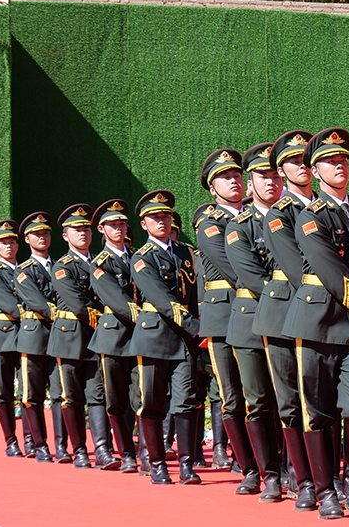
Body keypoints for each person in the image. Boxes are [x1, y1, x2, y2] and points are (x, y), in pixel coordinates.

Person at [282, 128, 349, 519]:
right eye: (330, 160)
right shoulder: (309, 217)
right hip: (316, 321)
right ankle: (326, 491)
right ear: (315, 170)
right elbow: (330, 271)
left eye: (343, 158)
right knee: (317, 410)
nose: (339, 164)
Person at [256, 130, 320, 511]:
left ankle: (326, 475)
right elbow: (298, 271)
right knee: (290, 400)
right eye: (294, 161)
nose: (302, 166)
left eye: (305, 160)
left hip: (325, 311)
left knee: (322, 398)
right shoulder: (279, 214)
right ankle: (301, 478)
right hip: (283, 310)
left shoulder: (329, 206)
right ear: (281, 170)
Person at [197, 149, 262, 491]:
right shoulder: (209, 223)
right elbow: (234, 267)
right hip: (224, 315)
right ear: (212, 188)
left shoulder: (258, 216)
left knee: (264, 393)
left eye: (238, 175)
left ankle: (271, 462)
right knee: (232, 395)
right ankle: (247, 465)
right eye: (225, 177)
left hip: (259, 311)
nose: (234, 181)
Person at [224, 142, 286, 499]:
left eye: (276, 175)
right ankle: (267, 473)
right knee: (259, 399)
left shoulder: (295, 219)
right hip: (251, 321)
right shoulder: (239, 226)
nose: (272, 182)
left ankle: (296, 470)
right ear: (251, 181)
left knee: (291, 398)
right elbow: (249, 276)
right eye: (264, 176)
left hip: (291, 321)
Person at [129, 190, 201, 485]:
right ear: (144, 224)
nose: (162, 221)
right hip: (154, 336)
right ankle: (156, 463)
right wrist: (196, 326)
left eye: (166, 216)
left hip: (183, 340)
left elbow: (193, 295)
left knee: (186, 401)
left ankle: (186, 465)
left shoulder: (185, 252)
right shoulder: (141, 257)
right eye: (155, 217)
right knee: (152, 403)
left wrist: (199, 325)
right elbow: (161, 299)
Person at [49, 204, 118, 470]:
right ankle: (79, 450)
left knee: (98, 394)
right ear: (65, 235)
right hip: (70, 339)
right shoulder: (61, 266)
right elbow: (77, 304)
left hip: (97, 338)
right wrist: (109, 317)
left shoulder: (101, 261)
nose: (83, 233)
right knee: (72, 396)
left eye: (86, 229)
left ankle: (102, 449)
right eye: (76, 229)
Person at [88, 199, 139, 473]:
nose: (118, 228)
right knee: (116, 397)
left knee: (141, 395)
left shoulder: (139, 256)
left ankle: (143, 447)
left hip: (141, 335)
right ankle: (126, 452)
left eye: (122, 224)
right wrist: (147, 316)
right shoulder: (100, 262)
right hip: (114, 336)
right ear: (102, 229)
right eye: (112, 224)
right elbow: (116, 300)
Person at [14, 212, 69, 463]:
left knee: (61, 393)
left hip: (59, 337)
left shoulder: (61, 265)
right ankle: (39, 445)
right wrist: (65, 313)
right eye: (37, 234)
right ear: (27, 239)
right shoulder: (22, 271)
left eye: (46, 233)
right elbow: (36, 302)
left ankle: (62, 445)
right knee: (32, 394)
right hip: (34, 337)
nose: (43, 237)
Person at [192, 202, 232, 471]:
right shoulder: (192, 258)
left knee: (221, 389)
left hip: (223, 324)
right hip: (198, 329)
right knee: (195, 390)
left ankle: (220, 447)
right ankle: (195, 449)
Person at [0, 219, 26, 457]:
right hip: (3, 338)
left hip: (29, 336)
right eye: (3, 243)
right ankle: (11, 440)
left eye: (11, 242)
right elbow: (10, 306)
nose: (8, 246)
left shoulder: (28, 270)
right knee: (4, 391)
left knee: (30, 391)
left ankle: (31, 440)